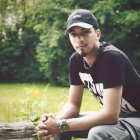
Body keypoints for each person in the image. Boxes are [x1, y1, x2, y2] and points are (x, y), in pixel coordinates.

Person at [35, 9, 140, 140]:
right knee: (61, 129)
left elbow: (111, 115)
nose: (79, 39)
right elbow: (73, 106)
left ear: (97, 33)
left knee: (98, 133)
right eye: (74, 34)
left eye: (85, 33)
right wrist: (51, 124)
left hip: (136, 118)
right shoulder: (76, 60)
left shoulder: (111, 58)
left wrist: (61, 125)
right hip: (122, 119)